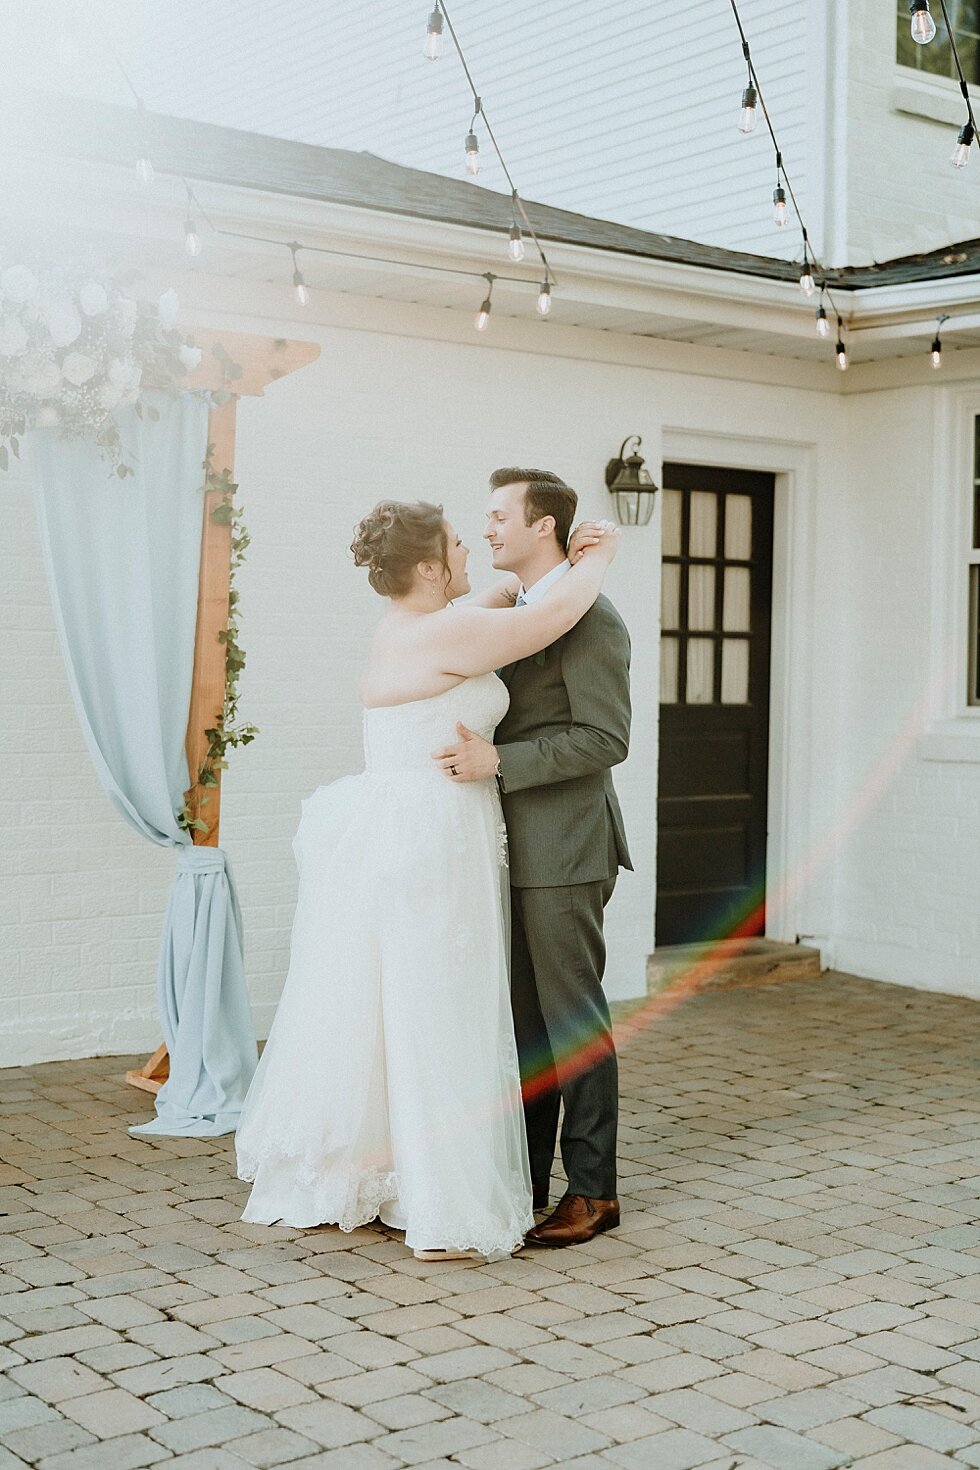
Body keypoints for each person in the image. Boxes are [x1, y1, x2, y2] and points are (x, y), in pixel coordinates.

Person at [235, 498, 619, 1261]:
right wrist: (600, 555)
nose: (473, 549)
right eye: (456, 543)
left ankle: (418, 1173)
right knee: (439, 1005)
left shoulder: (407, 623)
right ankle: (440, 1190)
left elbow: (505, 603)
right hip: (435, 838)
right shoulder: (449, 630)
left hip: (418, 830)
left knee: (414, 1002)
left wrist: (529, 578)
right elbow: (550, 616)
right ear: (428, 567)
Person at [432, 469, 632, 1249]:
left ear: (542, 525)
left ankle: (594, 1191)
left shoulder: (592, 619)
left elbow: (605, 738)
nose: (486, 530)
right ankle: (526, 1178)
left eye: (497, 517)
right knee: (522, 1023)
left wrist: (500, 762)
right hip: (507, 848)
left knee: (569, 1021)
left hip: (566, 846)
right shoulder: (519, 611)